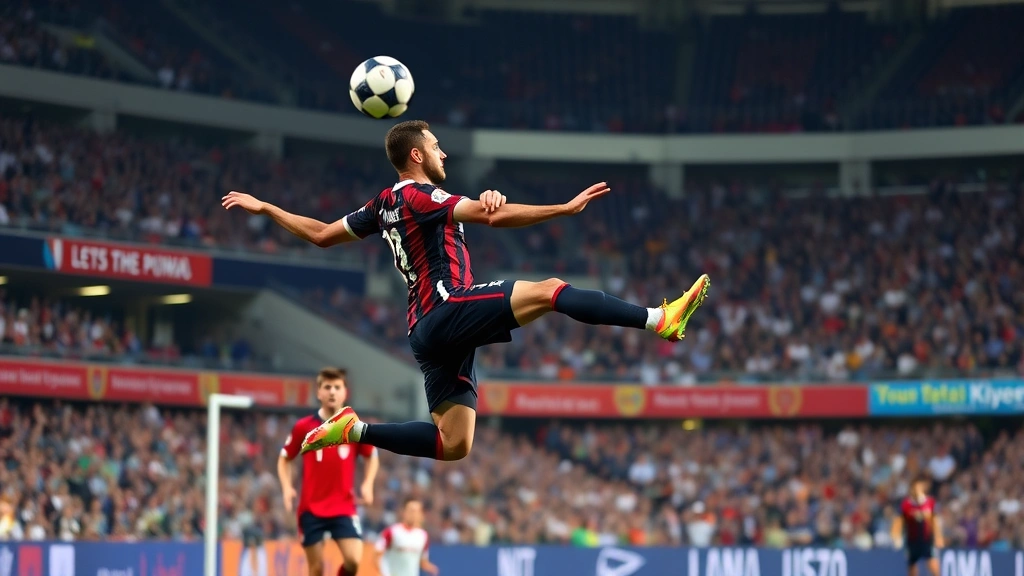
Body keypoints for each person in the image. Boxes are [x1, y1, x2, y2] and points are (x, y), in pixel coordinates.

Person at [223, 120, 710, 462]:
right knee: (550, 289)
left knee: (453, 444)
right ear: (416, 154)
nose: (443, 153)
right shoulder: (419, 194)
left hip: (424, 328)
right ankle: (658, 319)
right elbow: (489, 215)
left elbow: (321, 234)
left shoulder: (383, 203)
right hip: (445, 307)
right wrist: (562, 209)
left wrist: (267, 208)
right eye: (436, 146)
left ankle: (355, 429)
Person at [278, 367, 379, 576]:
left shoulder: (353, 427)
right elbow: (284, 459)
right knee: (316, 569)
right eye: (327, 387)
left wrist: (368, 484)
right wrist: (287, 487)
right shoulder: (303, 427)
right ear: (319, 393)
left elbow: (371, 456)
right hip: (311, 508)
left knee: (353, 561)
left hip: (344, 506)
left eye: (337, 387)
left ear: (345, 392)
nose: (332, 392)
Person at [891, 476, 944, 576]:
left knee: (933, 564)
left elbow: (936, 520)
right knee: (912, 566)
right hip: (912, 540)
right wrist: (896, 535)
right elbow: (899, 521)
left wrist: (938, 536)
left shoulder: (930, 503)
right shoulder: (906, 504)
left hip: (927, 540)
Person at [375, 497, 438, 576]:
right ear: (404, 512)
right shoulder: (392, 532)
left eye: (417, 511)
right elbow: (377, 554)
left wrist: (430, 568)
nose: (413, 514)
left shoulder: (423, 536)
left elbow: (422, 561)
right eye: (411, 511)